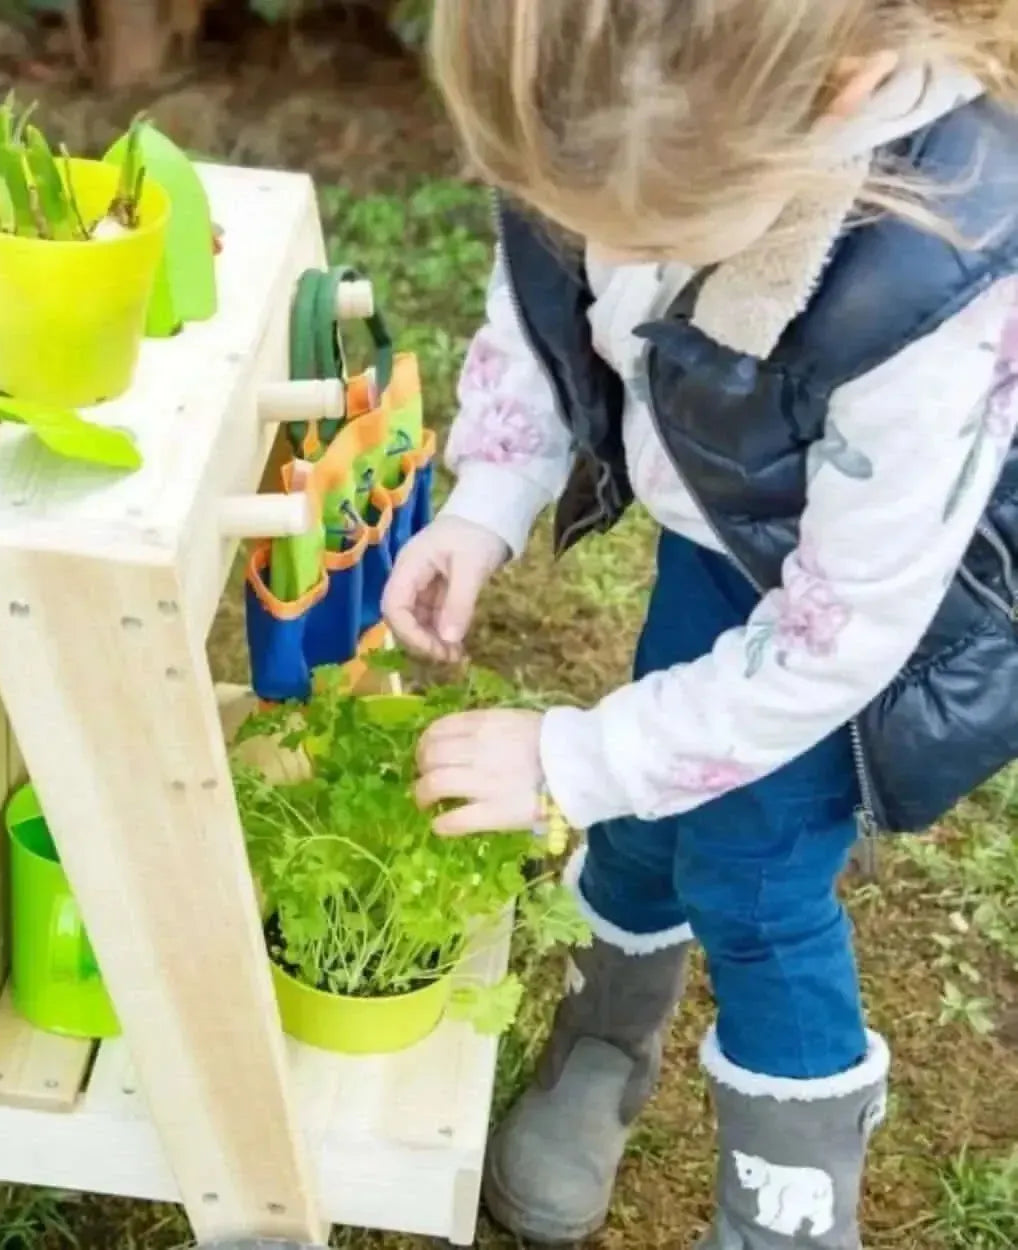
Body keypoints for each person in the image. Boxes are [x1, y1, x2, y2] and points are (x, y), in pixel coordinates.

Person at [380, 3, 1018, 1247]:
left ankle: (788, 1196)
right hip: (736, 533)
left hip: (888, 611)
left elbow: (835, 639)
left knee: (757, 879)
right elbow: (541, 306)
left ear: (838, 97)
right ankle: (606, 1044)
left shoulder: (934, 287)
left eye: (655, 239)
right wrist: (488, 498)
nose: (610, 257)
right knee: (658, 796)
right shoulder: (600, 99)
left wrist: (572, 757)